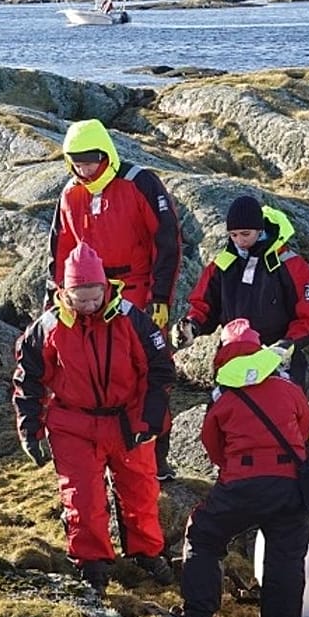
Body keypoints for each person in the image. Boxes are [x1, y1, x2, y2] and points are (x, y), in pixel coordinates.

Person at [13, 243, 176, 598]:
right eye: (81, 298)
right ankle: (92, 564)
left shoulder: (132, 319)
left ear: (105, 287)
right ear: (64, 292)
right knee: (82, 498)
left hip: (127, 421)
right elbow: (29, 380)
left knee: (141, 491)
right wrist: (30, 430)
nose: (89, 305)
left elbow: (160, 370)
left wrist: (149, 421)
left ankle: (147, 553)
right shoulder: (47, 327)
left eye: (95, 297)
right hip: (73, 424)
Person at [51, 118, 183, 481]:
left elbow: (167, 242)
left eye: (90, 160)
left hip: (137, 291)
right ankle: (102, 456)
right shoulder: (70, 194)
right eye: (77, 162)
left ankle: (155, 458)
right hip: (85, 296)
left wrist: (161, 298)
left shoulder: (140, 183)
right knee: (93, 373)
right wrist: (58, 296)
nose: (84, 168)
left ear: (106, 154)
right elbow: (60, 248)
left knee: (148, 372)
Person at [178, 319, 309, 617]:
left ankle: (198, 615)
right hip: (289, 487)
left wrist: (232, 469)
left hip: (241, 484)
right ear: (258, 349)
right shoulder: (287, 385)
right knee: (285, 558)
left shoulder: (222, 394)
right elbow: (304, 427)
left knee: (203, 536)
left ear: (222, 354)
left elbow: (212, 443)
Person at [173, 195, 309, 387]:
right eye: (233, 235)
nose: (240, 241)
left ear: (260, 230)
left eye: (245, 234)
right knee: (230, 405)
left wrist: (286, 345)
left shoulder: (289, 264)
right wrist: (191, 327)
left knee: (278, 405)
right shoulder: (223, 265)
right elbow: (204, 306)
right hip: (232, 357)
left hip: (276, 357)